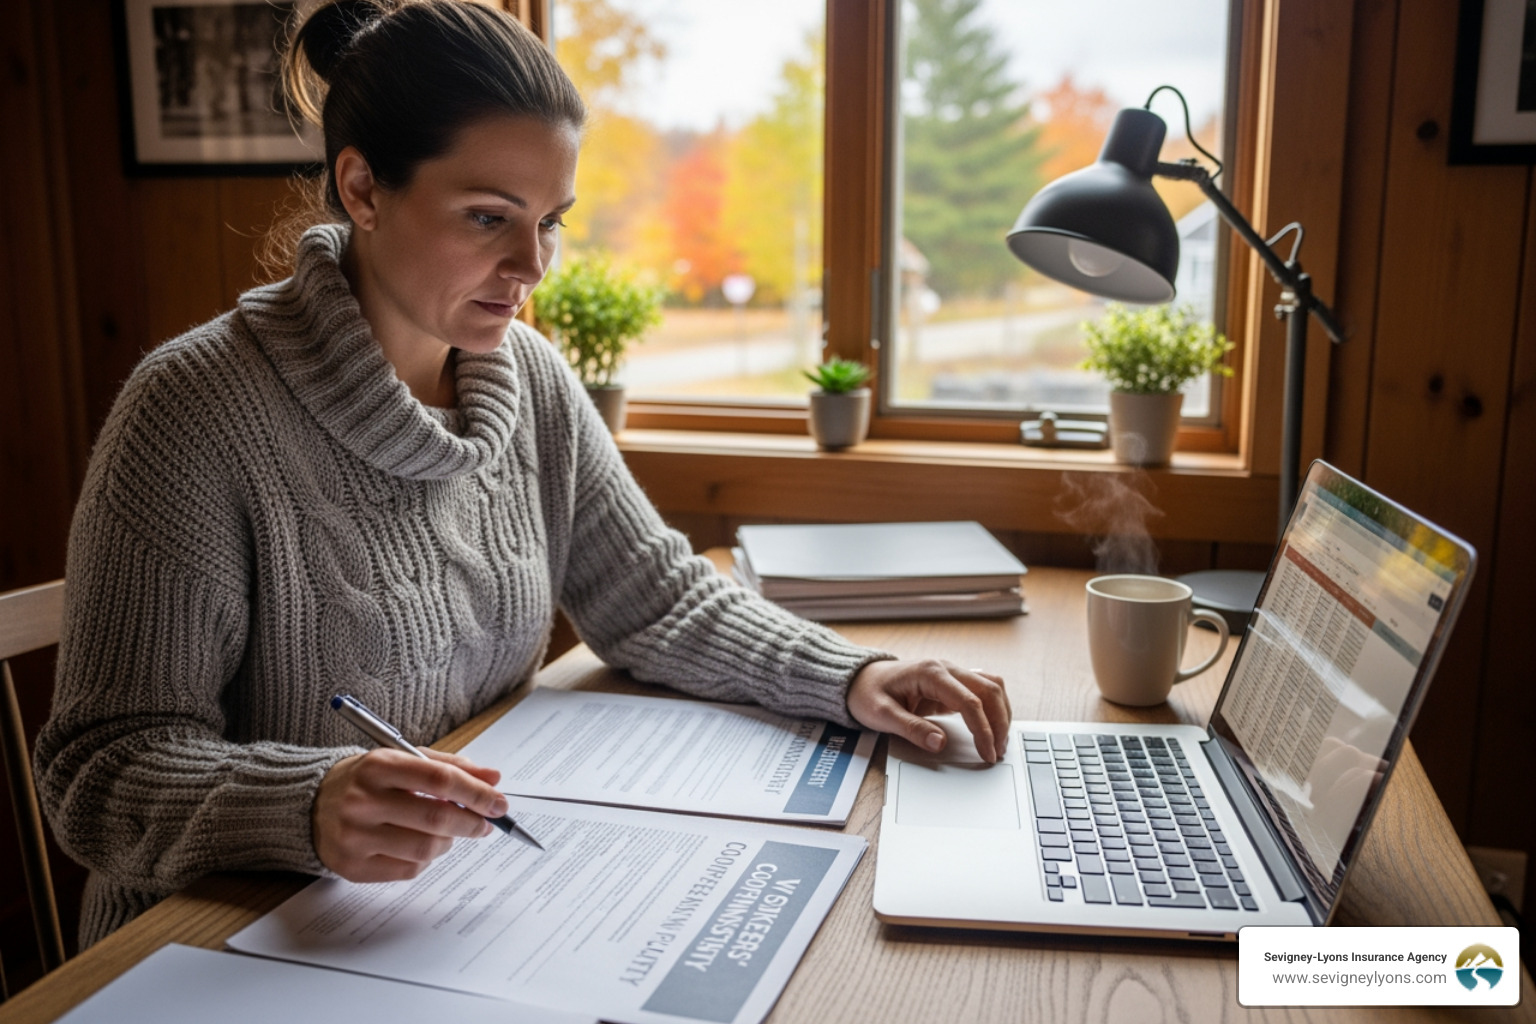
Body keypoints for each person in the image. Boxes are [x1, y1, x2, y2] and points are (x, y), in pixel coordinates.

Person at [35, 0, 1010, 949]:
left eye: (553, 220)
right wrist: (303, 803)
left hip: (453, 919)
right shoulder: (192, 414)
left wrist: (854, 675)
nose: (533, 263)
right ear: (364, 189)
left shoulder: (528, 380)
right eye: (490, 217)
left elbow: (656, 596)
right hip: (213, 946)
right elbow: (97, 771)